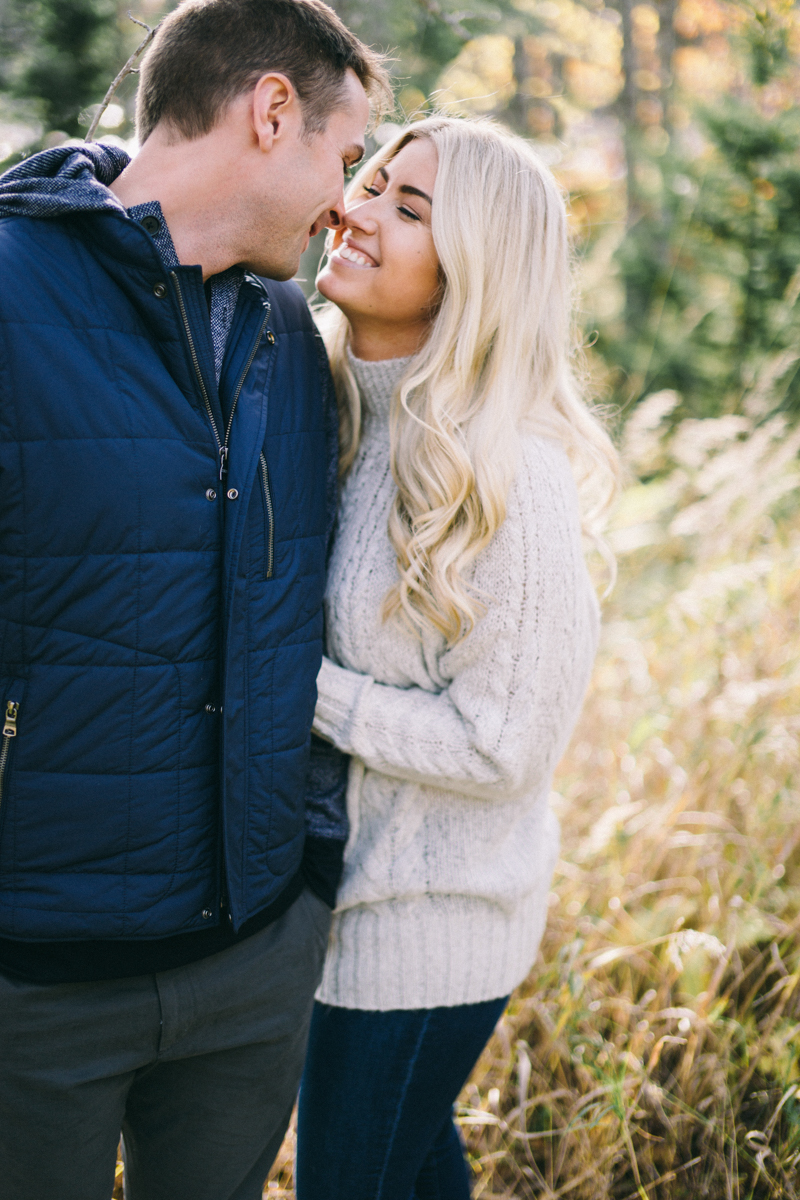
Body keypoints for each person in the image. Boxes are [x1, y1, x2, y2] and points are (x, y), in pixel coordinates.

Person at [0, 3, 389, 1199]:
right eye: (344, 155)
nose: (343, 201)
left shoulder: (287, 328)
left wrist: (303, 883)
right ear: (271, 112)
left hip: (252, 967)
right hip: (35, 993)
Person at [295, 116, 620, 1199]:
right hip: (335, 911)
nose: (354, 208)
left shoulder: (507, 476)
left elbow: (505, 749)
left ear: (474, 264)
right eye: (368, 182)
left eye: (407, 206)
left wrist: (298, 690)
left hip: (428, 932)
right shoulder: (340, 408)